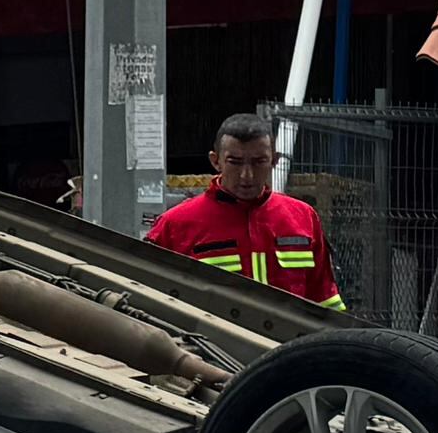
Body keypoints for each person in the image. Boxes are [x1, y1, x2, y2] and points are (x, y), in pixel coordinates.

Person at [144, 111, 345, 308]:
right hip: (209, 341)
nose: (246, 175)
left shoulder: (303, 217)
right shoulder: (174, 226)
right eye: (235, 162)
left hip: (292, 341)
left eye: (259, 162)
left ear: (274, 160)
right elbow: (150, 303)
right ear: (216, 161)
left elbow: (325, 301)